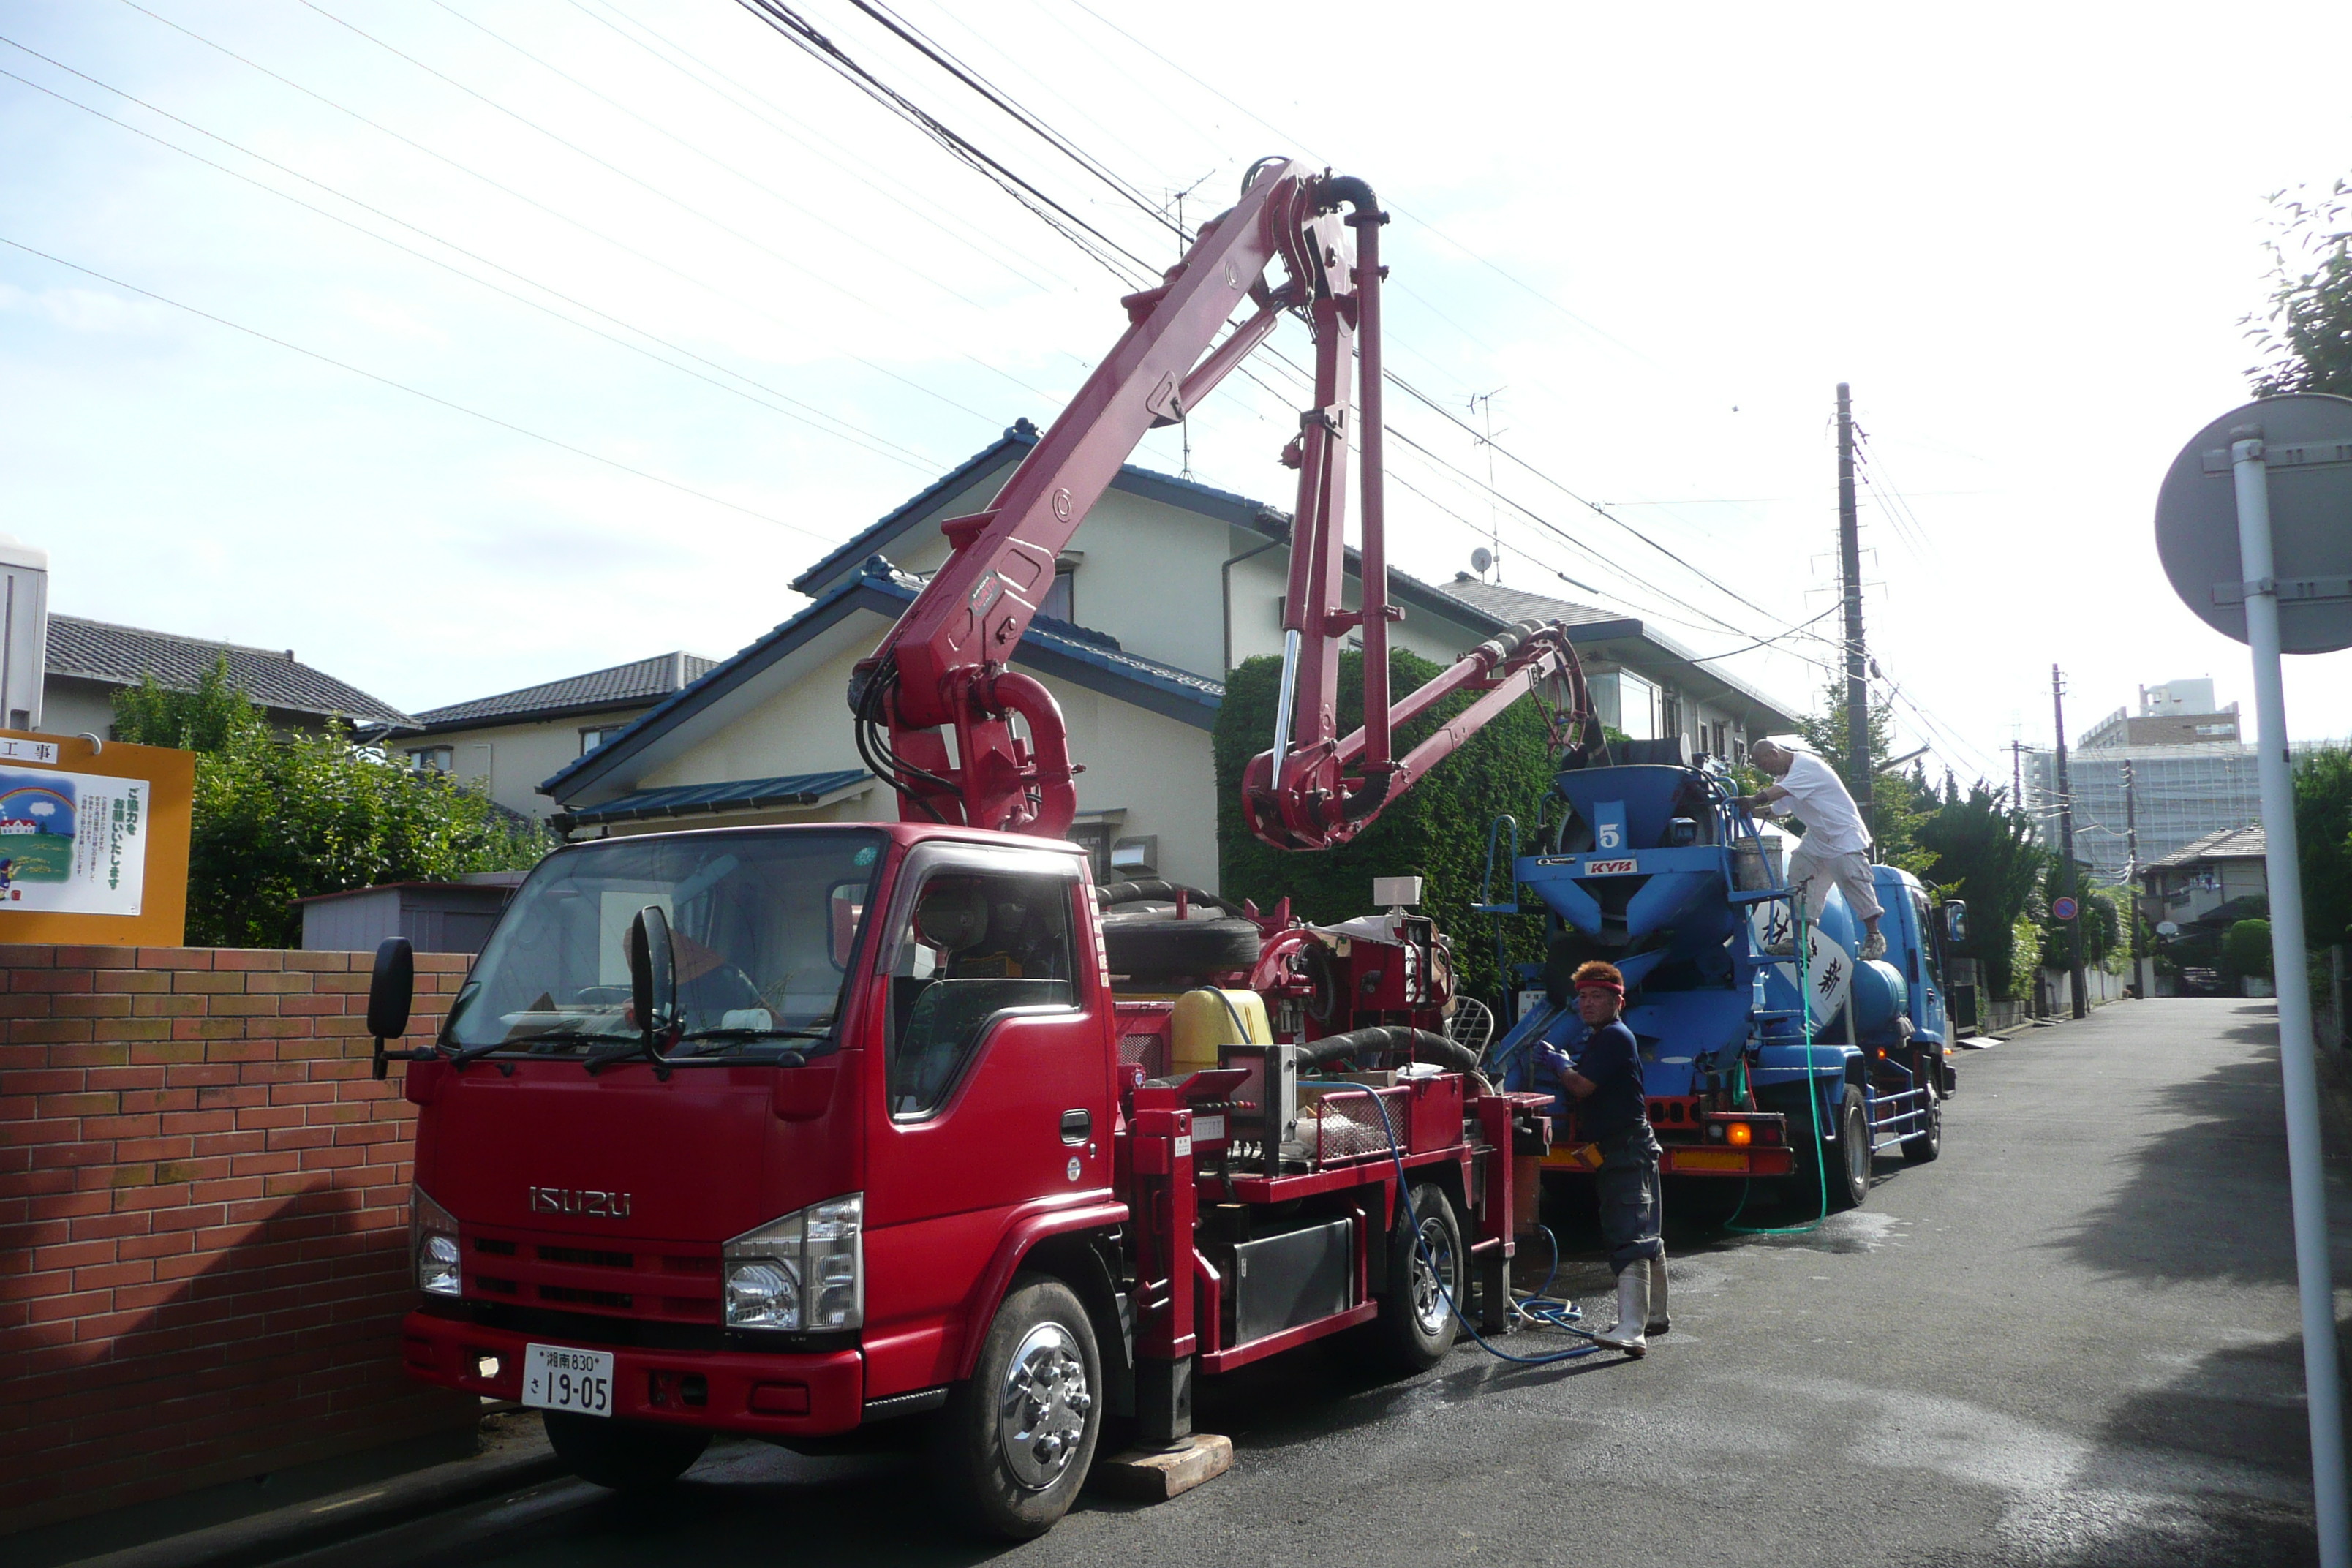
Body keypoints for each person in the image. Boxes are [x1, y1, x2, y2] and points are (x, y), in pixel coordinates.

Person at [1537, 960, 1667, 1356]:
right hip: (1629, 1145)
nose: (1588, 1004)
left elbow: (1582, 1086)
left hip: (1625, 1149)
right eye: (1583, 997)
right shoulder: (1603, 1038)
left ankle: (1631, 1331)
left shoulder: (1614, 1037)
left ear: (1618, 1002)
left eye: (1597, 996)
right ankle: (1654, 1315)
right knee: (1646, 1230)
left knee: (1629, 1235)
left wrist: (1558, 1064)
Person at [1737, 738, 1885, 961]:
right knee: (1799, 877)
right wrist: (1748, 812)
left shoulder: (1806, 765)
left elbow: (1778, 792)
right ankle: (1799, 940)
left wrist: (1753, 800)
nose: (1764, 771)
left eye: (1763, 764)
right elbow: (1777, 810)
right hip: (1817, 838)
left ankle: (1874, 936)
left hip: (1842, 833)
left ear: (1774, 754)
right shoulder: (1784, 778)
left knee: (1851, 876)